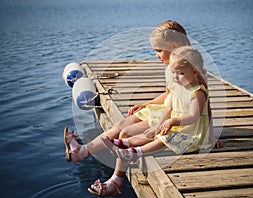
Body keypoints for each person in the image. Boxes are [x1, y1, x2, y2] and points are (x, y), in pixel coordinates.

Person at [64, 20, 223, 163]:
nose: (156, 55)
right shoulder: (172, 68)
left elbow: (205, 106)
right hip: (166, 110)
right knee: (120, 124)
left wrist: (210, 136)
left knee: (125, 131)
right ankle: (82, 151)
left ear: (173, 46)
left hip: (175, 116)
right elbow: (169, 95)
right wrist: (146, 104)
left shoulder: (194, 72)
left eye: (159, 50)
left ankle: (110, 171)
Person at [88, 46, 212, 197]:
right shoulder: (176, 88)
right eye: (173, 72)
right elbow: (167, 110)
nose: (175, 77)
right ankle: (122, 151)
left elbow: (193, 116)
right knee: (148, 135)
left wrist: (174, 122)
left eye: (180, 73)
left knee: (164, 138)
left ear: (194, 72)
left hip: (192, 136)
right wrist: (157, 127)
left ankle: (134, 153)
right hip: (175, 129)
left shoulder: (197, 93)